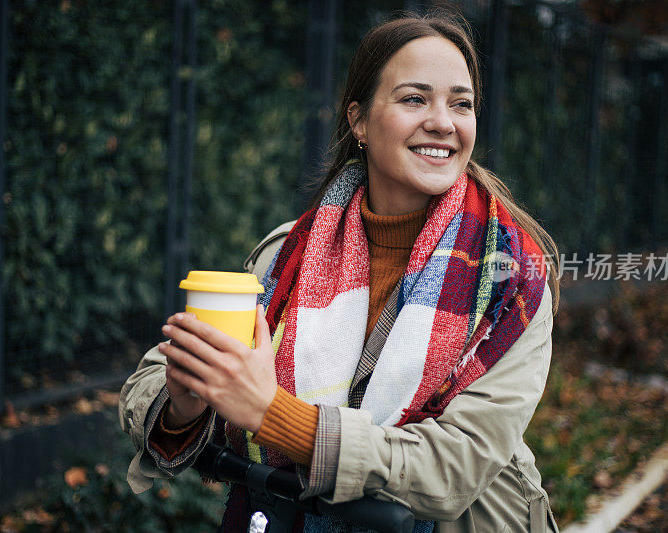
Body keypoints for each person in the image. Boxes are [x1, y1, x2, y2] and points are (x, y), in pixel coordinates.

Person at [120, 10, 561, 532]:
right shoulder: (286, 255)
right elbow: (151, 384)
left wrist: (272, 415)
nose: (444, 121)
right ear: (358, 119)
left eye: (461, 103)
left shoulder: (514, 281)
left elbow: (451, 469)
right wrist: (187, 402)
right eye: (414, 98)